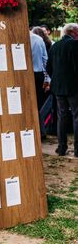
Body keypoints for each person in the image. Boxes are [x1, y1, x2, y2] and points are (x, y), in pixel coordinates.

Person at [46, 23, 78, 157]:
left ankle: (61, 147)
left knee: (61, 117)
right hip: (73, 86)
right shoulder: (75, 45)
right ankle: (77, 150)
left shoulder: (55, 46)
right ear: (74, 32)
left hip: (58, 86)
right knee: (76, 116)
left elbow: (48, 67)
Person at [30, 28, 50, 139]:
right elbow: (45, 60)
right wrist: (47, 79)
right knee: (36, 104)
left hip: (22, 74)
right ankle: (40, 132)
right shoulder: (38, 39)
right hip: (37, 74)